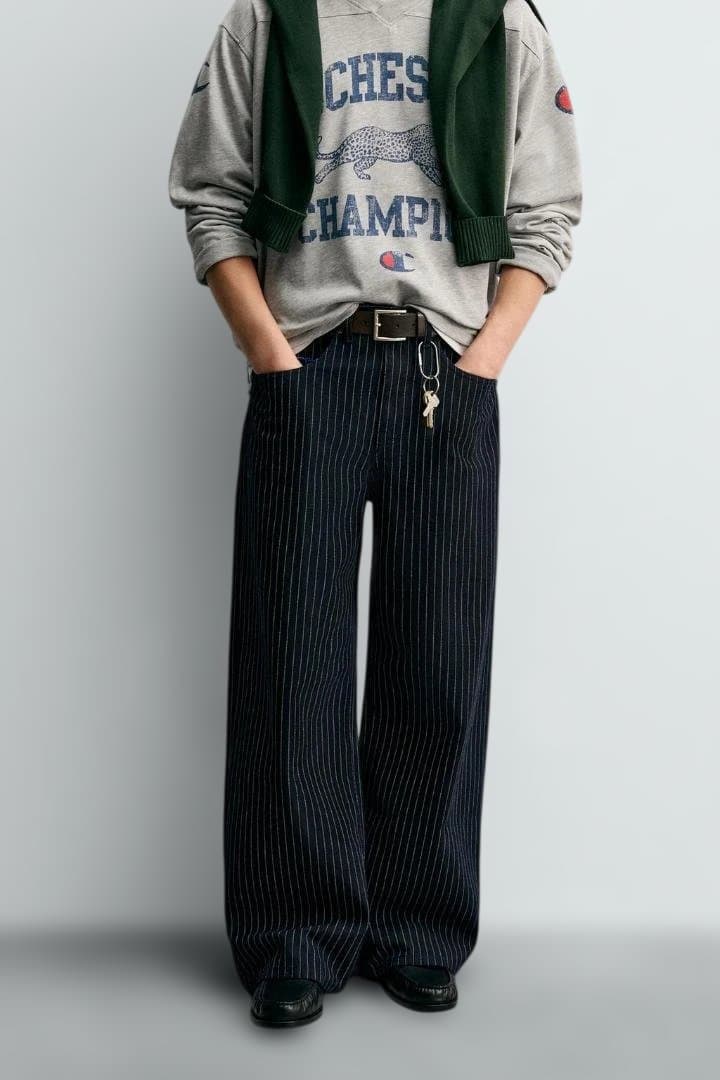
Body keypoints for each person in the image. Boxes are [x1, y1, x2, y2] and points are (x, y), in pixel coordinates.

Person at [168, 0, 581, 1028]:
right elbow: (210, 194)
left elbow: (548, 211)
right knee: (290, 657)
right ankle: (295, 938)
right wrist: (271, 353)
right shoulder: (268, 17)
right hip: (310, 363)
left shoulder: (499, 23)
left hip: (446, 367)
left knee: (438, 657)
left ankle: (417, 929)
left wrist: (482, 360)